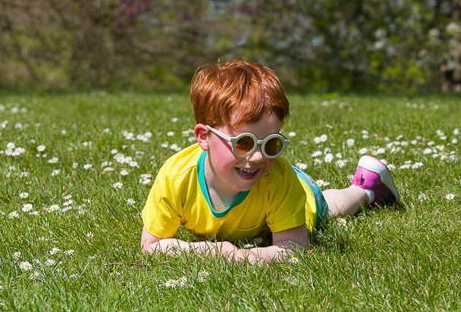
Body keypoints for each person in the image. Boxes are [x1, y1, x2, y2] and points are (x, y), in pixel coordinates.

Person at [140, 59, 399, 263]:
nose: (257, 157)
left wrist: (242, 257)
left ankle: (366, 189)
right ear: (204, 136)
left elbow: (293, 248)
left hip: (297, 190)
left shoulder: (277, 179)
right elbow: (151, 245)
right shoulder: (176, 178)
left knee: (327, 207)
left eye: (271, 144)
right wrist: (213, 251)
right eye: (243, 143)